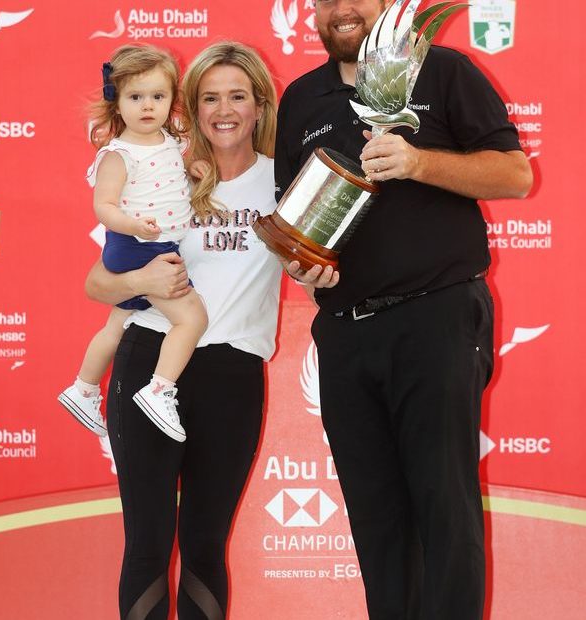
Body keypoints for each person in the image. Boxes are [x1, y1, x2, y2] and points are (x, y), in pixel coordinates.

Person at [275, 1, 533, 618]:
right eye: (326, 0)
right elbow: (294, 220)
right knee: (376, 520)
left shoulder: (442, 71)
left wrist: (417, 162)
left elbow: (516, 174)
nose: (341, 10)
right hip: (343, 332)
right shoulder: (300, 100)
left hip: (436, 317)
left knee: (445, 510)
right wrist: (301, 265)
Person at [85, 42, 281, 619]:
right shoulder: (161, 167)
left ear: (259, 105)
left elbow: (317, 271)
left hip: (234, 375)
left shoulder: (285, 180)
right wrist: (140, 277)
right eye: (209, 97)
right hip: (149, 360)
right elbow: (98, 284)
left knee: (203, 546)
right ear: (189, 107)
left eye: (238, 96)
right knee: (146, 545)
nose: (224, 109)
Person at [58, 44, 207, 442]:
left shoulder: (170, 141)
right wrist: (134, 224)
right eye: (135, 97)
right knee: (191, 319)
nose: (147, 106)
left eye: (157, 97)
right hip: (140, 246)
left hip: (151, 243)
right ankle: (160, 389)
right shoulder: (118, 154)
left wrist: (191, 168)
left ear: (171, 100)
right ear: (117, 102)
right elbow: (103, 206)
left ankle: (84, 388)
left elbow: (172, 180)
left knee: (118, 323)